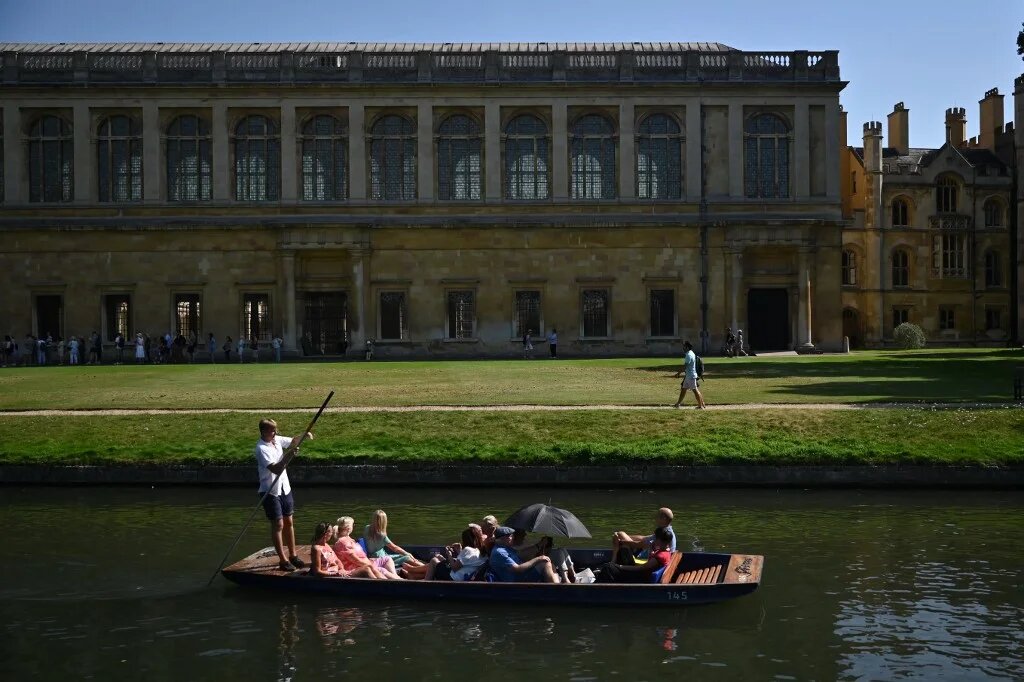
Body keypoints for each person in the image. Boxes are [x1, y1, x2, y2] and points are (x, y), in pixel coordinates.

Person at [255, 417, 313, 572]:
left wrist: (304, 435)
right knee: (278, 524)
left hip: (284, 488)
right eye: (271, 431)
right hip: (270, 490)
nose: (274, 433)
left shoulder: (276, 440)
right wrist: (289, 455)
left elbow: (293, 441)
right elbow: (276, 469)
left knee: (289, 521)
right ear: (263, 431)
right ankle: (283, 559)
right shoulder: (261, 448)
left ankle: (293, 555)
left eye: (275, 430)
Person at [331, 516, 402, 579]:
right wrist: (369, 564)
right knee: (381, 570)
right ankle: (398, 582)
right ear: (349, 528)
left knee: (387, 559)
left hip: (365, 562)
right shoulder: (343, 542)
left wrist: (369, 560)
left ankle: (398, 578)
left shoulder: (348, 539)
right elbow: (356, 561)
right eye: (353, 525)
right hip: (356, 567)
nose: (354, 526)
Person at [597, 527, 674, 584]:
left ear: (659, 540)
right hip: (641, 574)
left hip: (640, 579)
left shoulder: (660, 556)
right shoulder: (666, 550)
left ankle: (596, 587)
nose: (654, 539)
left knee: (608, 568)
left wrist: (620, 566)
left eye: (655, 538)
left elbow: (641, 568)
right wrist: (651, 550)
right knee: (623, 550)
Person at [362, 509, 426, 573]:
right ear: (384, 522)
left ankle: (422, 567)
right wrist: (408, 554)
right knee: (407, 557)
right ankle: (427, 568)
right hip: (382, 559)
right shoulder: (381, 536)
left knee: (403, 556)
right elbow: (395, 548)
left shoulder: (366, 528)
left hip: (371, 556)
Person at [488, 526, 558, 583]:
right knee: (545, 563)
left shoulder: (506, 548)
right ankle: (555, 589)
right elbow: (518, 569)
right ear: (505, 538)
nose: (513, 538)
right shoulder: (500, 552)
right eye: (511, 536)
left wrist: (540, 546)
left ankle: (558, 585)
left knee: (549, 562)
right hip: (516, 580)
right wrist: (538, 559)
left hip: (521, 575)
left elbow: (520, 555)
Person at [310, 521, 377, 579]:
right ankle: (380, 585)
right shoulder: (316, 549)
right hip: (331, 577)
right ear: (326, 533)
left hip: (339, 572)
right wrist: (334, 574)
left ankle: (382, 582)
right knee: (366, 569)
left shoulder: (326, 545)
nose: (332, 534)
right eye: (331, 532)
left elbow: (337, 560)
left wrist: (342, 569)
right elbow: (317, 571)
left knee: (368, 567)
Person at [611, 507, 676, 563]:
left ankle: (613, 561)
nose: (655, 518)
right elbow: (644, 538)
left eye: (657, 516)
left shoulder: (662, 534)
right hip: (653, 554)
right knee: (621, 534)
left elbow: (639, 544)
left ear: (663, 519)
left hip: (649, 558)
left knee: (621, 541)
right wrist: (626, 536)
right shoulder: (666, 530)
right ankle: (614, 560)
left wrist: (620, 541)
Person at [673, 341, 706, 409]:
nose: (683, 348)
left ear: (687, 347)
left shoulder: (688, 355)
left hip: (691, 376)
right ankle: (678, 404)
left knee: (695, 390)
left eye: (684, 346)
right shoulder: (691, 353)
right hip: (689, 376)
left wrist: (678, 373)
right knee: (683, 389)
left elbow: (685, 366)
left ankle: (700, 406)